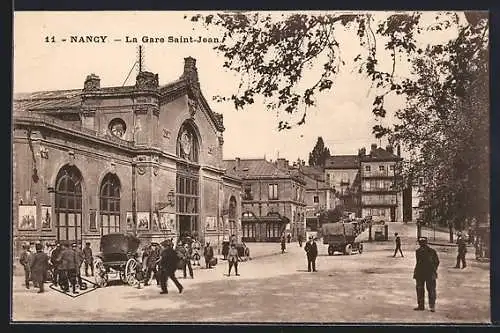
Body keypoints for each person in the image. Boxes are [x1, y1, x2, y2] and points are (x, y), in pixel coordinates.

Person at [413, 237, 440, 312]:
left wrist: (433, 269)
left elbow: (436, 262)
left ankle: (430, 306)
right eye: (420, 243)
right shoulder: (418, 251)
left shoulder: (431, 251)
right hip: (422, 273)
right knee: (421, 290)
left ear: (425, 243)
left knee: (430, 290)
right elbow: (418, 262)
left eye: (422, 243)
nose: (421, 244)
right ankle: (423, 306)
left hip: (428, 273)